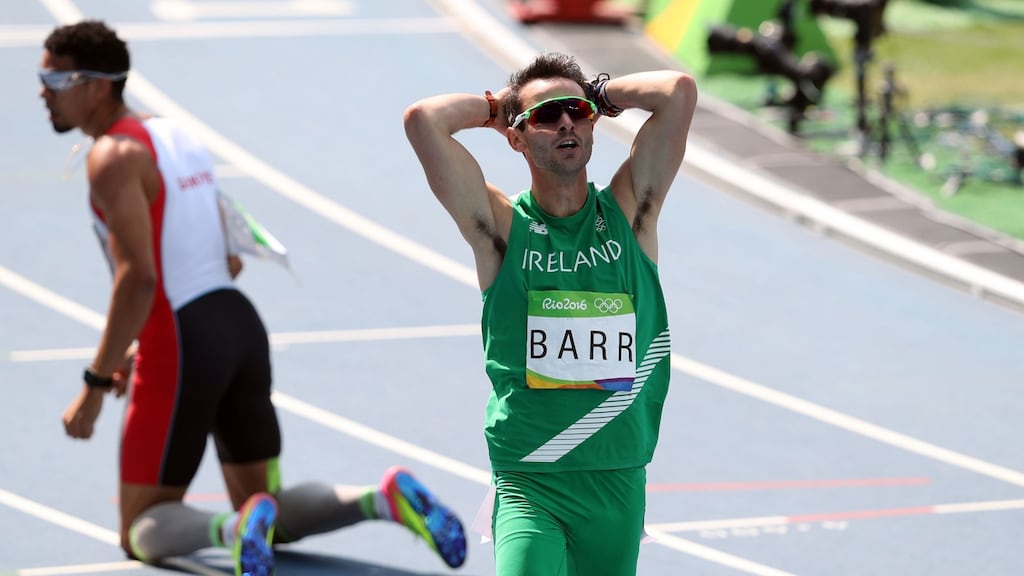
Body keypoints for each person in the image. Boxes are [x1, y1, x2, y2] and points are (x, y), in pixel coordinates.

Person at [41, 20, 466, 575]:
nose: (42, 90)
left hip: (181, 337)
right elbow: (229, 257)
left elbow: (140, 279)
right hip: (237, 326)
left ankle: (232, 530)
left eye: (54, 77)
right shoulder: (177, 135)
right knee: (268, 510)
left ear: (97, 85)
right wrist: (144, 344)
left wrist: (96, 383)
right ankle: (382, 497)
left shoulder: (113, 156)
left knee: (141, 527)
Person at [404, 52, 697, 574]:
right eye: (545, 116)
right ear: (516, 138)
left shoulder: (631, 214)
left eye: (575, 111)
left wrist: (600, 97)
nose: (565, 121)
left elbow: (676, 91)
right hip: (530, 479)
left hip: (619, 473)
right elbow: (424, 120)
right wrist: (500, 108)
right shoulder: (501, 228)